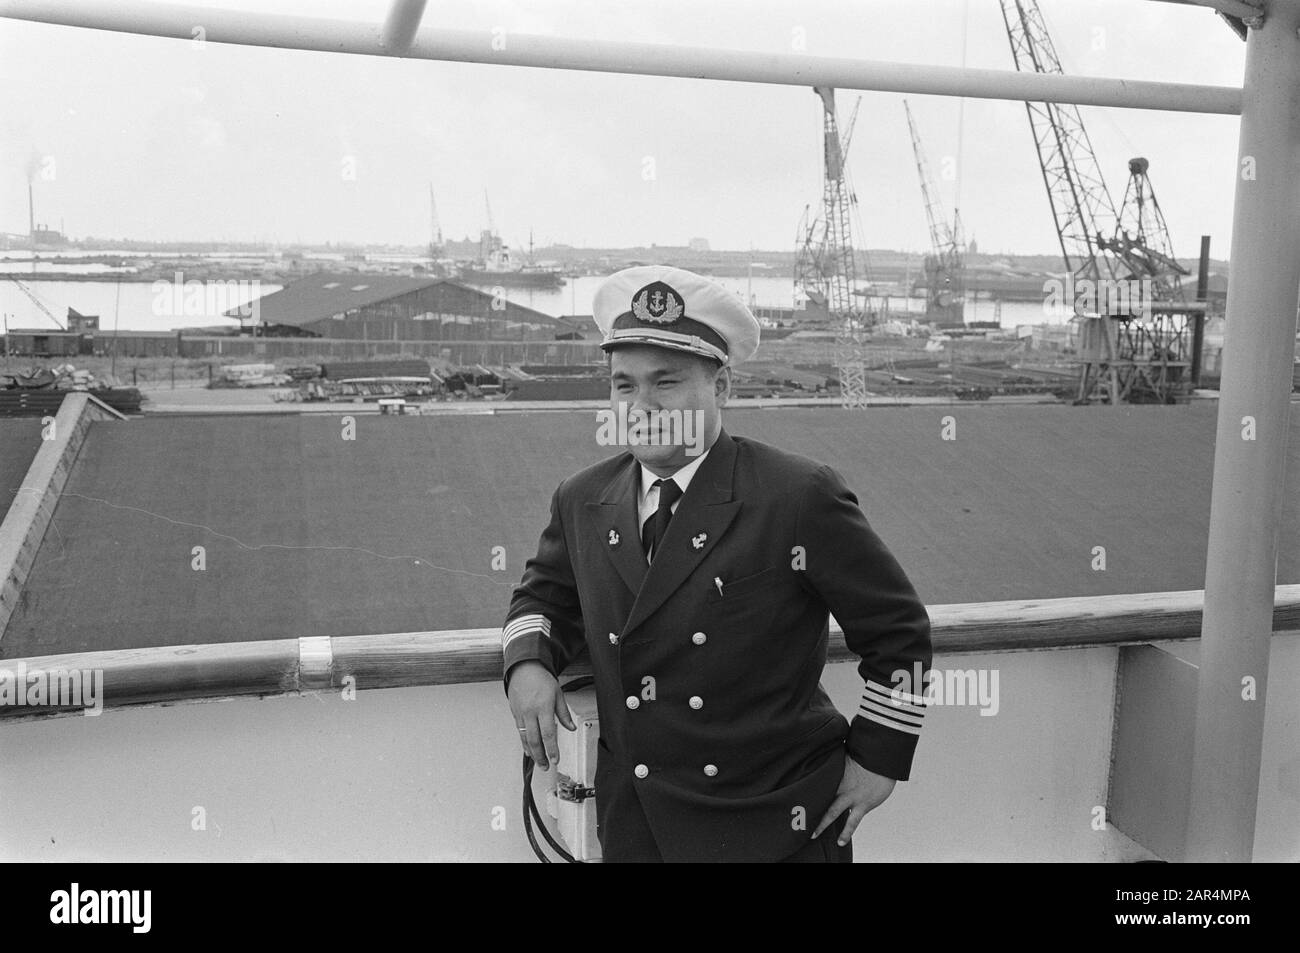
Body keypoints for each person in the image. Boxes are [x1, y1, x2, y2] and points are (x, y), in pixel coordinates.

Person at [502, 265, 932, 862]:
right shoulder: (583, 498)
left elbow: (898, 632)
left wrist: (879, 759)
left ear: (722, 386)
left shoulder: (796, 495)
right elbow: (542, 599)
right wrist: (528, 664)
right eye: (624, 385)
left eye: (666, 382)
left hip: (776, 824)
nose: (642, 405)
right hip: (637, 826)